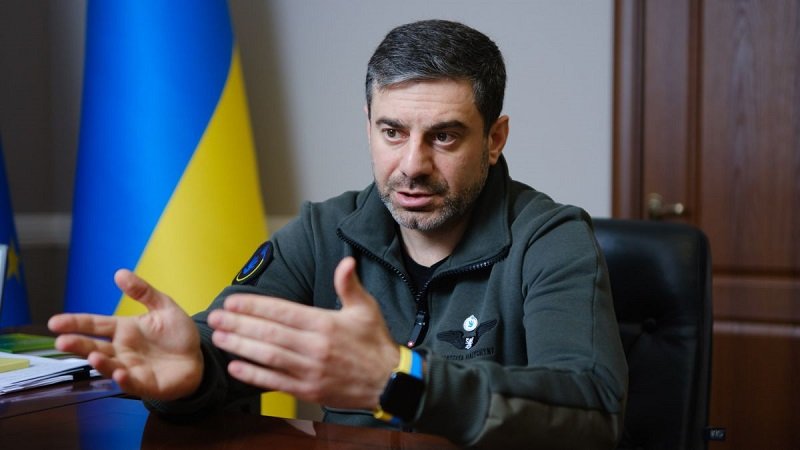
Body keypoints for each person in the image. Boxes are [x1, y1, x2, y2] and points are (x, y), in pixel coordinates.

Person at [49, 19, 627, 448]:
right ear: (368, 126)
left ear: (495, 139)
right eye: (392, 132)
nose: (412, 165)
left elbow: (592, 413)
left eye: (444, 136)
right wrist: (194, 369)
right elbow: (226, 345)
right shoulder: (324, 231)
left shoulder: (552, 238)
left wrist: (402, 379)